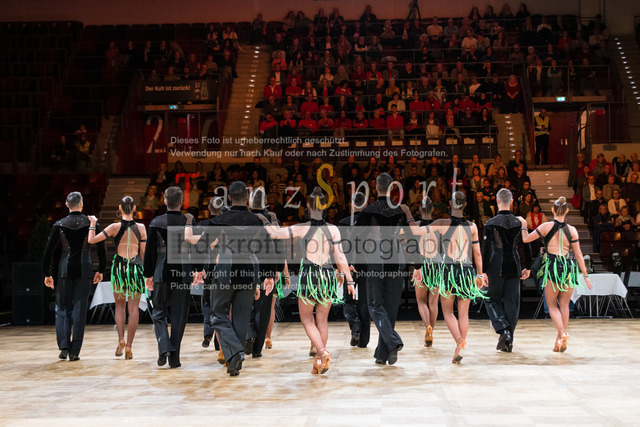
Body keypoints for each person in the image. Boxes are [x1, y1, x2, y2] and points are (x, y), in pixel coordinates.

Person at [258, 187, 355, 374]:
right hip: (327, 276)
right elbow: (340, 257)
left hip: (309, 276)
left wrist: (264, 218)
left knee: (306, 319)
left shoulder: (302, 228)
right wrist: (349, 281)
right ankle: (319, 360)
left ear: (309, 208)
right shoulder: (333, 229)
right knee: (322, 321)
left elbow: (275, 234)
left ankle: (322, 352)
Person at [184, 181, 277, 376]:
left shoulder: (220, 219)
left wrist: (198, 269)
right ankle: (236, 360)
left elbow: (202, 245)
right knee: (241, 319)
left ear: (229, 198)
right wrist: (269, 275)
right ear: (247, 199)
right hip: (249, 272)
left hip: (226, 270)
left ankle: (235, 353)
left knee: (217, 315)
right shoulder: (256, 220)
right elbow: (268, 249)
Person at [405, 192, 487, 364]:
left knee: (448, 312)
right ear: (465, 205)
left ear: (450, 204)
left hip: (449, 270)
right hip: (467, 271)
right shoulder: (472, 226)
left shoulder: (442, 223)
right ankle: (459, 346)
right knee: (463, 313)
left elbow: (416, 231)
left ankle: (459, 340)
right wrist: (480, 274)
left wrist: (407, 213)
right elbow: (478, 253)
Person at [520, 197, 593, 352]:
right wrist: (586, 276)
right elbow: (579, 255)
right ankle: (559, 340)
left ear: (553, 210)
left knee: (552, 305)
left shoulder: (546, 226)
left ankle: (562, 333)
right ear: (567, 211)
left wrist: (524, 225)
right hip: (568, 267)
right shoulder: (572, 230)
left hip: (553, 266)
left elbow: (525, 239)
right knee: (565, 305)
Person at [351, 173, 409, 365]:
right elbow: (409, 238)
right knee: (390, 308)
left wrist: (353, 261)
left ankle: (393, 341)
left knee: (374, 305)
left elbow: (355, 237)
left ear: (376, 187)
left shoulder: (369, 210)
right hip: (397, 262)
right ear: (392, 188)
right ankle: (383, 354)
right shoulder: (400, 211)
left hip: (376, 260)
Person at [42, 192, 107, 361]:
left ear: (66, 204)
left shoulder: (59, 224)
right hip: (84, 269)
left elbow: (49, 251)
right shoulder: (91, 223)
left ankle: (64, 346)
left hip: (65, 269)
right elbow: (101, 248)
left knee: (62, 307)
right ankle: (74, 351)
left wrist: (47, 273)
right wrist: (100, 270)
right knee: (79, 309)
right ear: (82, 204)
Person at [87, 196, 146, 359]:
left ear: (120, 208)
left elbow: (91, 240)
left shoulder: (114, 227)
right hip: (135, 268)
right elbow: (143, 254)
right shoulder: (141, 228)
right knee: (133, 309)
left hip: (119, 268)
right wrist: (148, 274)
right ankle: (129, 346)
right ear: (134, 208)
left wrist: (93, 223)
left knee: (119, 307)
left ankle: (120, 339)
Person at [143, 186, 192, 369]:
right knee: (179, 317)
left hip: (161, 271)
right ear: (181, 202)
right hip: (182, 272)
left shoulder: (156, 221)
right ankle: (174, 358)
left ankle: (164, 347)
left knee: (158, 312)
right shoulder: (188, 222)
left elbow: (149, 252)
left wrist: (147, 274)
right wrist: (197, 270)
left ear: (164, 200)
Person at [482, 189, 532, 352]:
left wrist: (483, 271)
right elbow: (526, 244)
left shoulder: (490, 223)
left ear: (497, 201)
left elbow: (486, 249)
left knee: (490, 298)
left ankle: (503, 330)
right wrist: (528, 266)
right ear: (511, 202)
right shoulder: (520, 222)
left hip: (496, 264)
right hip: (515, 265)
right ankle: (509, 341)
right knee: (513, 303)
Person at [338, 191, 370, 348]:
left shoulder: (343, 223)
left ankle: (355, 328)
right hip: (366, 264)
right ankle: (363, 340)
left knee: (348, 299)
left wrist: (340, 267)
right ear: (365, 204)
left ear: (351, 204)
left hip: (348, 264)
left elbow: (339, 248)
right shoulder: (371, 222)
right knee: (364, 301)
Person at [409, 196, 441, 347]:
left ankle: (427, 325)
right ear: (433, 209)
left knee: (421, 301)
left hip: (421, 264)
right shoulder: (439, 226)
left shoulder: (416, 226)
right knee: (433, 302)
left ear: (420, 209)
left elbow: (412, 248)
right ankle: (431, 332)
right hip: (436, 263)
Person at [193, 197, 224, 353]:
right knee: (221, 304)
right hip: (224, 267)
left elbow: (195, 246)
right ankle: (219, 343)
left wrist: (198, 268)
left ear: (209, 208)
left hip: (207, 268)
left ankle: (207, 333)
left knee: (207, 302)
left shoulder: (202, 226)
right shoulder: (226, 225)